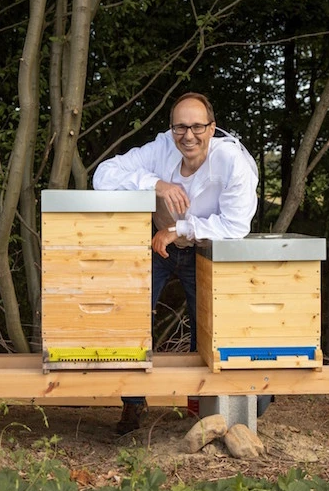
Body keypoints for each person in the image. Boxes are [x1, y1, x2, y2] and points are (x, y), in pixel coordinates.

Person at [92, 92, 258, 433]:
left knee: (208, 327)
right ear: (171, 129)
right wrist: (155, 184)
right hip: (159, 247)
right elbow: (103, 176)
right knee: (132, 317)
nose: (188, 135)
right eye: (180, 126)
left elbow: (236, 225)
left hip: (206, 250)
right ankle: (133, 405)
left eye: (197, 126)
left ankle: (204, 408)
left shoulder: (231, 161)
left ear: (212, 128)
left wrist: (181, 228)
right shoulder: (161, 148)